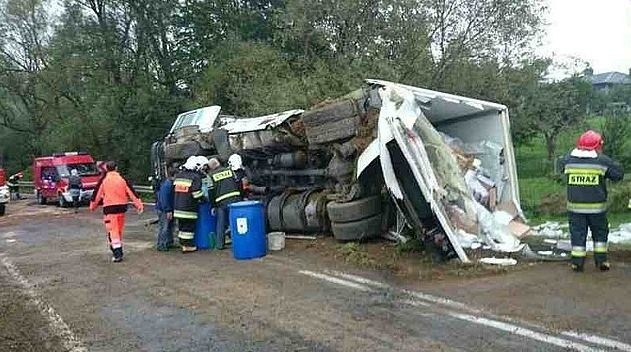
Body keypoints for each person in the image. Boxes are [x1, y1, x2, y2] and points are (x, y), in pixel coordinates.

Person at [559, 130, 624, 272]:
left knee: (577, 234)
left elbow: (560, 166)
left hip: (574, 209)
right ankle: (601, 261)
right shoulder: (602, 161)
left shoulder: (568, 160)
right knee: (600, 233)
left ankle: (577, 263)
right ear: (597, 146)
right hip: (597, 209)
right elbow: (618, 175)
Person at [89, 161, 144, 263]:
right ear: (116, 168)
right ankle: (117, 250)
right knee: (118, 230)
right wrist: (139, 205)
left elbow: (96, 194)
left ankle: (117, 254)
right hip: (122, 208)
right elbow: (132, 192)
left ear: (106, 168)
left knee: (113, 231)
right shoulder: (122, 179)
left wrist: (92, 206)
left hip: (110, 209)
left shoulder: (104, 180)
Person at [208, 157, 242, 250]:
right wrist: (240, 197)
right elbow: (239, 183)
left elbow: (211, 192)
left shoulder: (210, 176)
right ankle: (238, 241)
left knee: (221, 224)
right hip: (234, 199)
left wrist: (213, 205)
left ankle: (220, 245)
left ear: (211, 167)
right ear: (218, 163)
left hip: (221, 202)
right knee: (235, 222)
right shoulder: (230, 171)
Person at [173, 156, 205, 253]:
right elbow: (196, 194)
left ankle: (183, 244)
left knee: (182, 227)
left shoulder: (178, 176)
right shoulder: (195, 177)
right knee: (188, 228)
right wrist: (204, 198)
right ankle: (188, 246)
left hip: (178, 207)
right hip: (188, 208)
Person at [155, 169, 176, 251]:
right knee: (164, 227)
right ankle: (161, 244)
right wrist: (168, 210)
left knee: (170, 226)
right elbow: (164, 199)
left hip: (166, 208)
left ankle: (169, 242)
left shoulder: (169, 184)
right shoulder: (168, 185)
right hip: (164, 209)